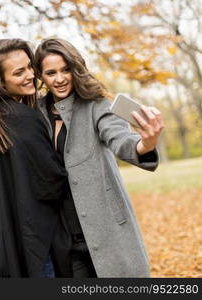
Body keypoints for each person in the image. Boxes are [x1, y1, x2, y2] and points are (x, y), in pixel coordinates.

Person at [33, 38, 164, 278]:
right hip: (63, 241)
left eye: (66, 70)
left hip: (107, 232)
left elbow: (120, 139)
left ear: (76, 68)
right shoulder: (35, 113)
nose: (60, 79)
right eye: (51, 73)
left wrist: (145, 143)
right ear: (41, 76)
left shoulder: (96, 105)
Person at [0, 39, 73, 277]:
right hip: (38, 240)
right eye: (19, 72)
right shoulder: (25, 118)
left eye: (29, 67)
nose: (31, 75)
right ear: (0, 81)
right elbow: (51, 181)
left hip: (6, 237)